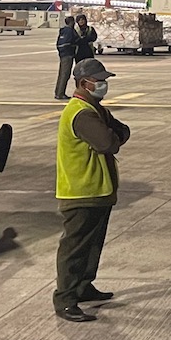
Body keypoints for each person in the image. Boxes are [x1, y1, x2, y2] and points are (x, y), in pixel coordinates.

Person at [54, 56, 130, 323]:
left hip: (97, 190)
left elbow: (123, 130)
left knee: (91, 246)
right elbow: (109, 142)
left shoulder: (94, 107)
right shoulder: (82, 113)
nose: (104, 85)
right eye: (100, 81)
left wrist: (115, 134)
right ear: (84, 83)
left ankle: (83, 286)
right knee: (75, 248)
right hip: (81, 191)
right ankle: (65, 299)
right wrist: (114, 135)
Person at [54, 15, 80, 100]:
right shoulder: (70, 31)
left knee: (61, 74)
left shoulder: (63, 31)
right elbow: (73, 41)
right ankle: (61, 93)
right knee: (65, 74)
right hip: (68, 55)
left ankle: (58, 92)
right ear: (72, 22)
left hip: (62, 54)